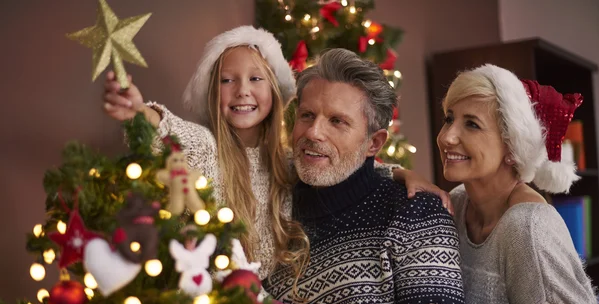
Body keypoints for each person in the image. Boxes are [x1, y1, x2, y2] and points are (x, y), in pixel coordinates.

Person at [103, 25, 450, 282]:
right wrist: (136, 110)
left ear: (276, 92)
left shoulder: (288, 164)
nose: (242, 91)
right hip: (202, 302)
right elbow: (166, 131)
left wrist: (403, 173)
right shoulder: (204, 147)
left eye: (256, 79)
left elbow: (347, 160)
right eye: (227, 80)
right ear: (212, 92)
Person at [382, 64, 599, 304]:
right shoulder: (459, 204)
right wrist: (400, 172)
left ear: (513, 145)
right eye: (449, 118)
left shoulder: (529, 229)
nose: (447, 136)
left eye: (471, 124)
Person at [264, 48, 465, 304]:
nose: (312, 132)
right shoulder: (269, 204)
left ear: (374, 143)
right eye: (307, 115)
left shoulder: (415, 213)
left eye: (337, 121)